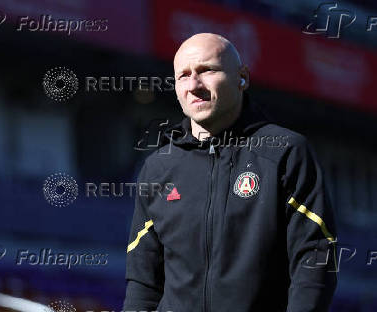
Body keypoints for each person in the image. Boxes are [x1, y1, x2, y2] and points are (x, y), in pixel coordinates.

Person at [123, 33, 337, 312]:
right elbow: (143, 280)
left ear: (242, 78)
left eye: (206, 70)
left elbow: (315, 252)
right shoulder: (159, 168)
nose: (194, 85)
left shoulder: (285, 151)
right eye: (183, 76)